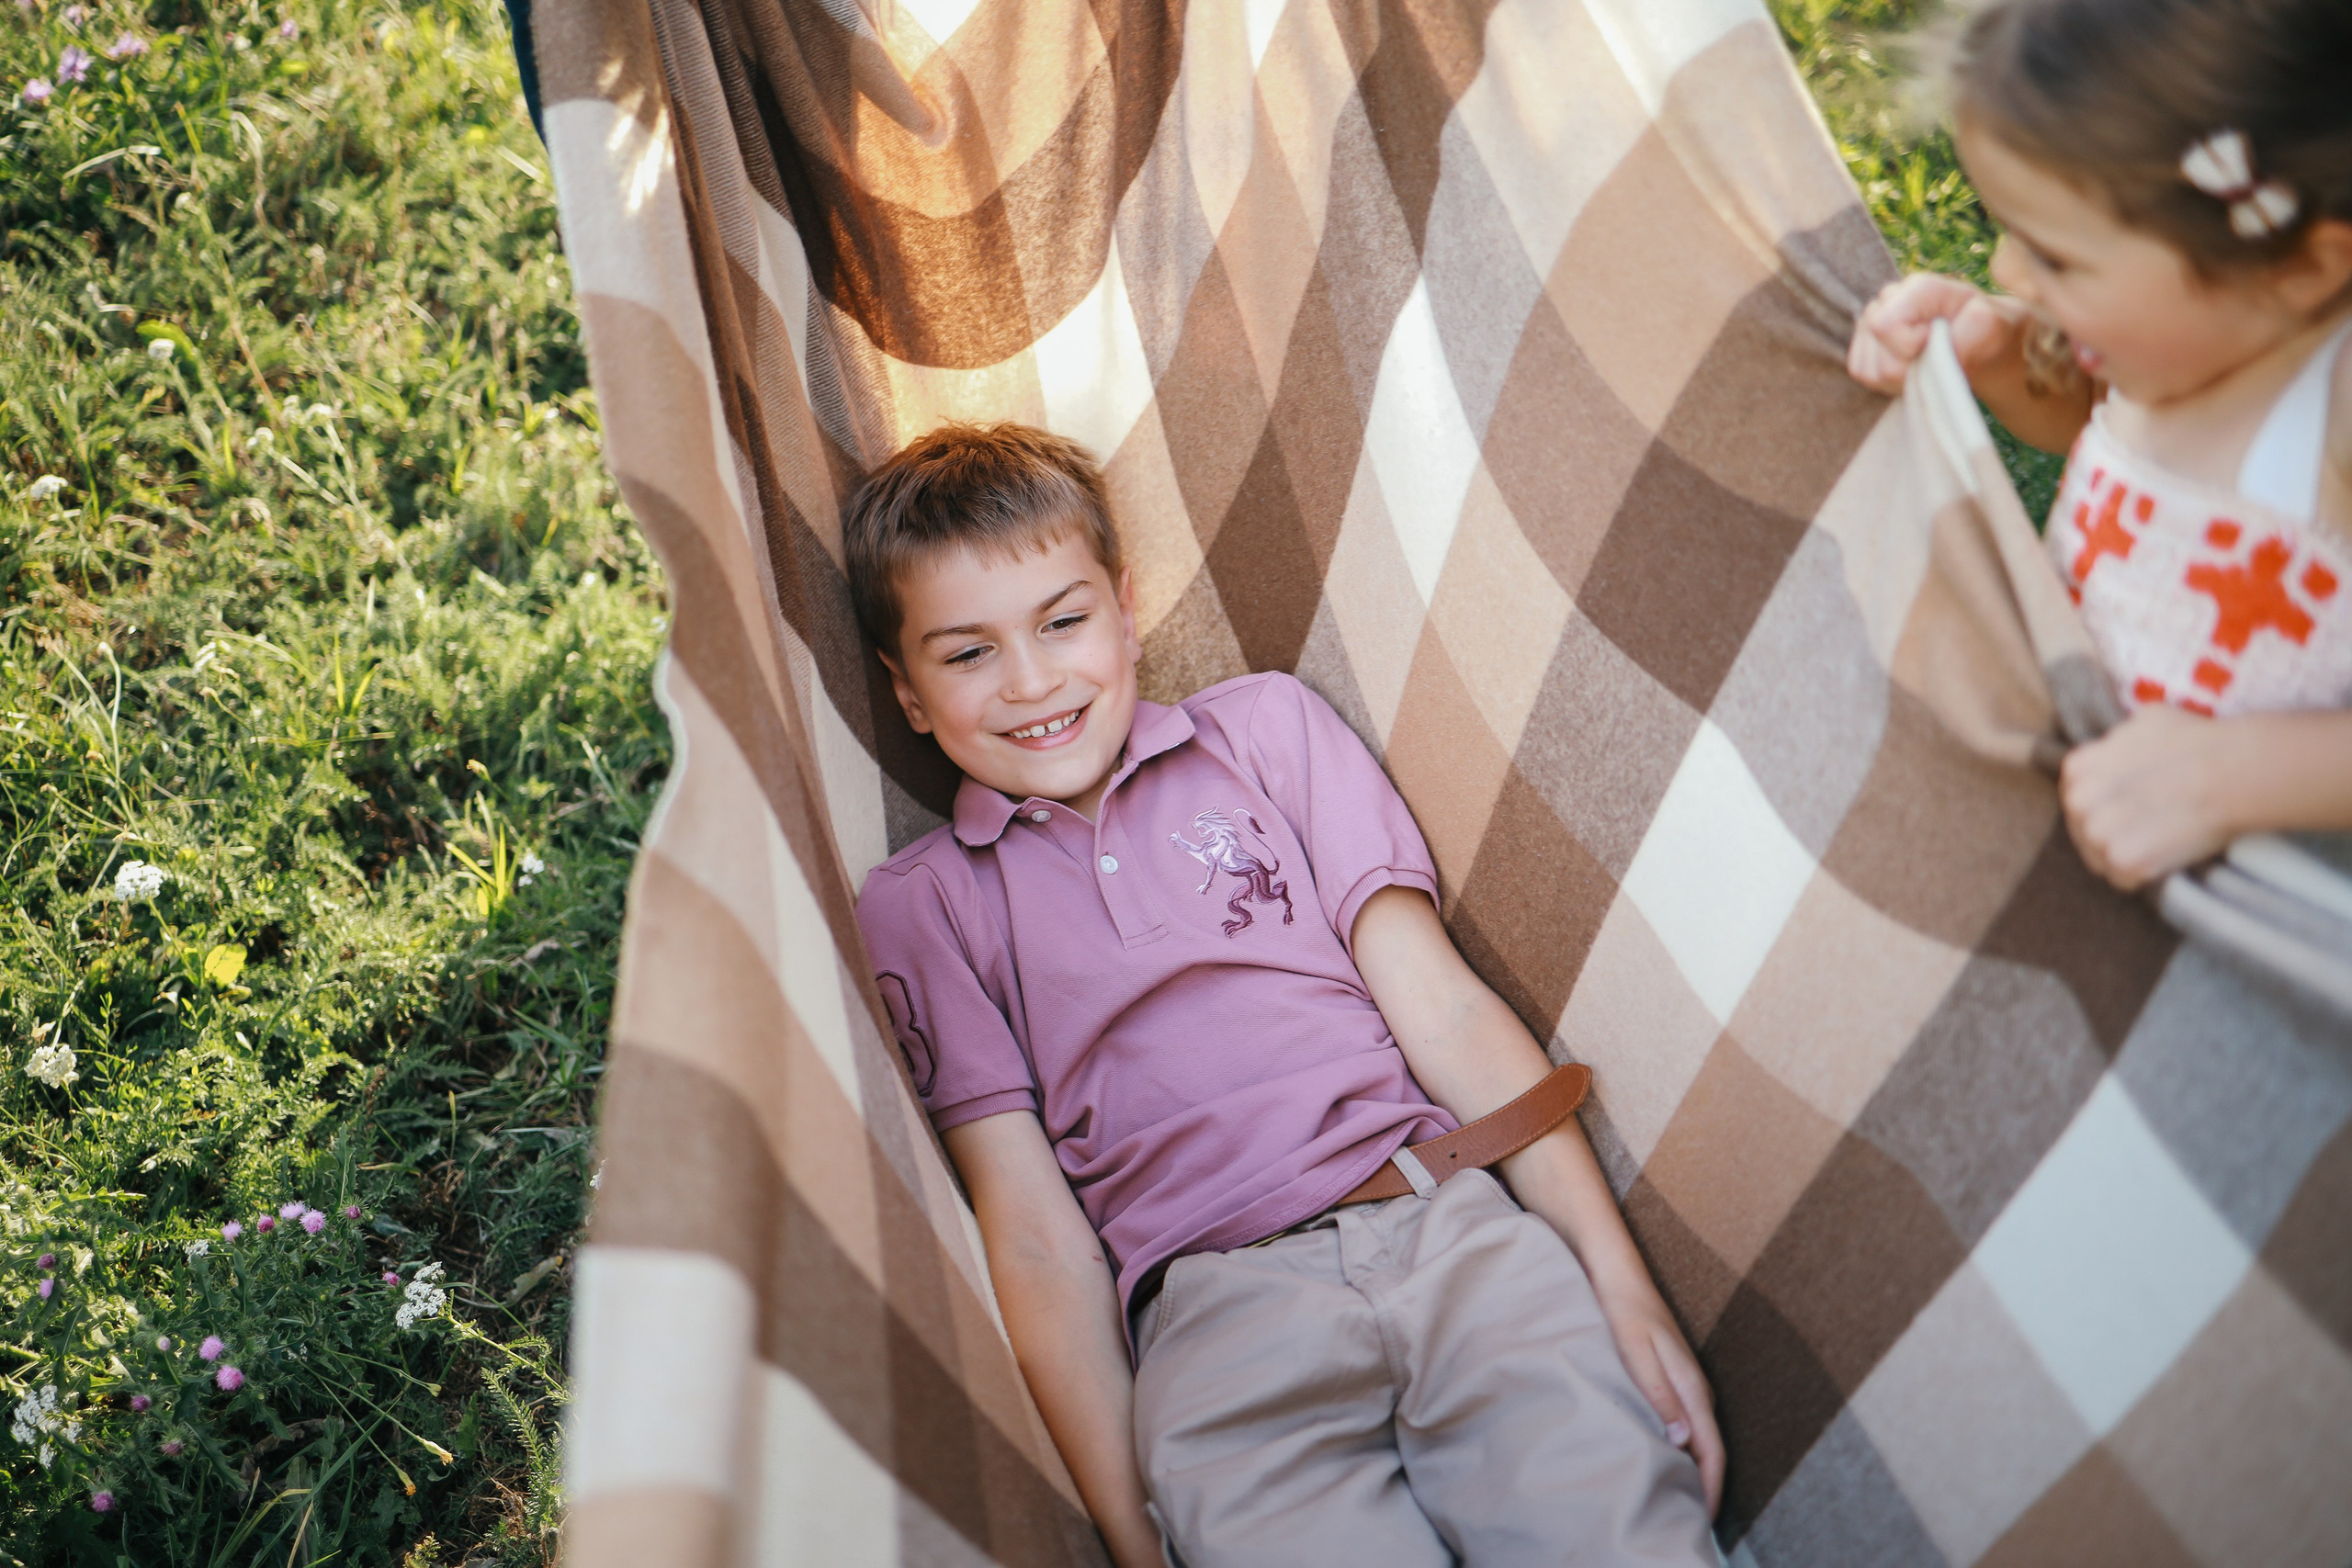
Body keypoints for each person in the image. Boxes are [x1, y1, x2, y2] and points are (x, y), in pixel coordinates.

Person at [848, 423, 1720, 1568]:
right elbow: (1032, 1231)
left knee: (1617, 1536)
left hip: (1445, 1230)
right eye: (966, 656)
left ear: (1123, 608)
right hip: (1214, 1327)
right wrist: (1129, 1526)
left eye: (1062, 622)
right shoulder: (923, 904)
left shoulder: (1264, 732)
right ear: (907, 693)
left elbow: (1442, 1009)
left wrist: (1617, 1276)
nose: (1031, 681)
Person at [1846, 0, 2352, 892]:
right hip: (2074, 848)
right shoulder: (2180, 347)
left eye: (2056, 260)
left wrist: (2234, 777)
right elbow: (2102, 437)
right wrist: (2001, 355)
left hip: (2256, 939)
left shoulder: (2331, 406)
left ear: (2300, 269)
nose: (2004, 271)